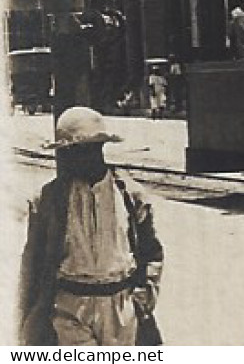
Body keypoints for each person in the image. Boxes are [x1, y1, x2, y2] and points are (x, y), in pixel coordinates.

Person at [17, 107, 163, 346]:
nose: (72, 159)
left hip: (120, 306)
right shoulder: (49, 198)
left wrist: (145, 292)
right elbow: (34, 259)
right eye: (68, 152)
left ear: (98, 150)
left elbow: (151, 250)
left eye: (80, 151)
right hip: (70, 306)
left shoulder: (129, 195)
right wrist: (28, 313)